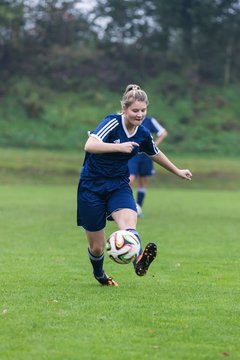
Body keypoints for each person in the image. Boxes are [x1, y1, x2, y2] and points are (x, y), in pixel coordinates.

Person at [77, 84, 192, 287]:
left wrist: (177, 171)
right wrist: (118, 147)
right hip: (91, 187)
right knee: (96, 247)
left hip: (118, 185)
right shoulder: (112, 122)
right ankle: (100, 275)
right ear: (124, 109)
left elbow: (154, 152)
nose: (139, 115)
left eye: (143, 110)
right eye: (135, 110)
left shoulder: (143, 133)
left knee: (129, 227)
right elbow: (90, 145)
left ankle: (139, 260)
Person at [128, 116, 168, 216]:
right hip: (133, 155)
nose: (139, 113)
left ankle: (138, 209)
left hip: (146, 156)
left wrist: (153, 145)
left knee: (142, 181)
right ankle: (128, 207)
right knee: (130, 179)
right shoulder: (128, 119)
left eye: (142, 109)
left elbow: (163, 133)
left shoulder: (150, 120)